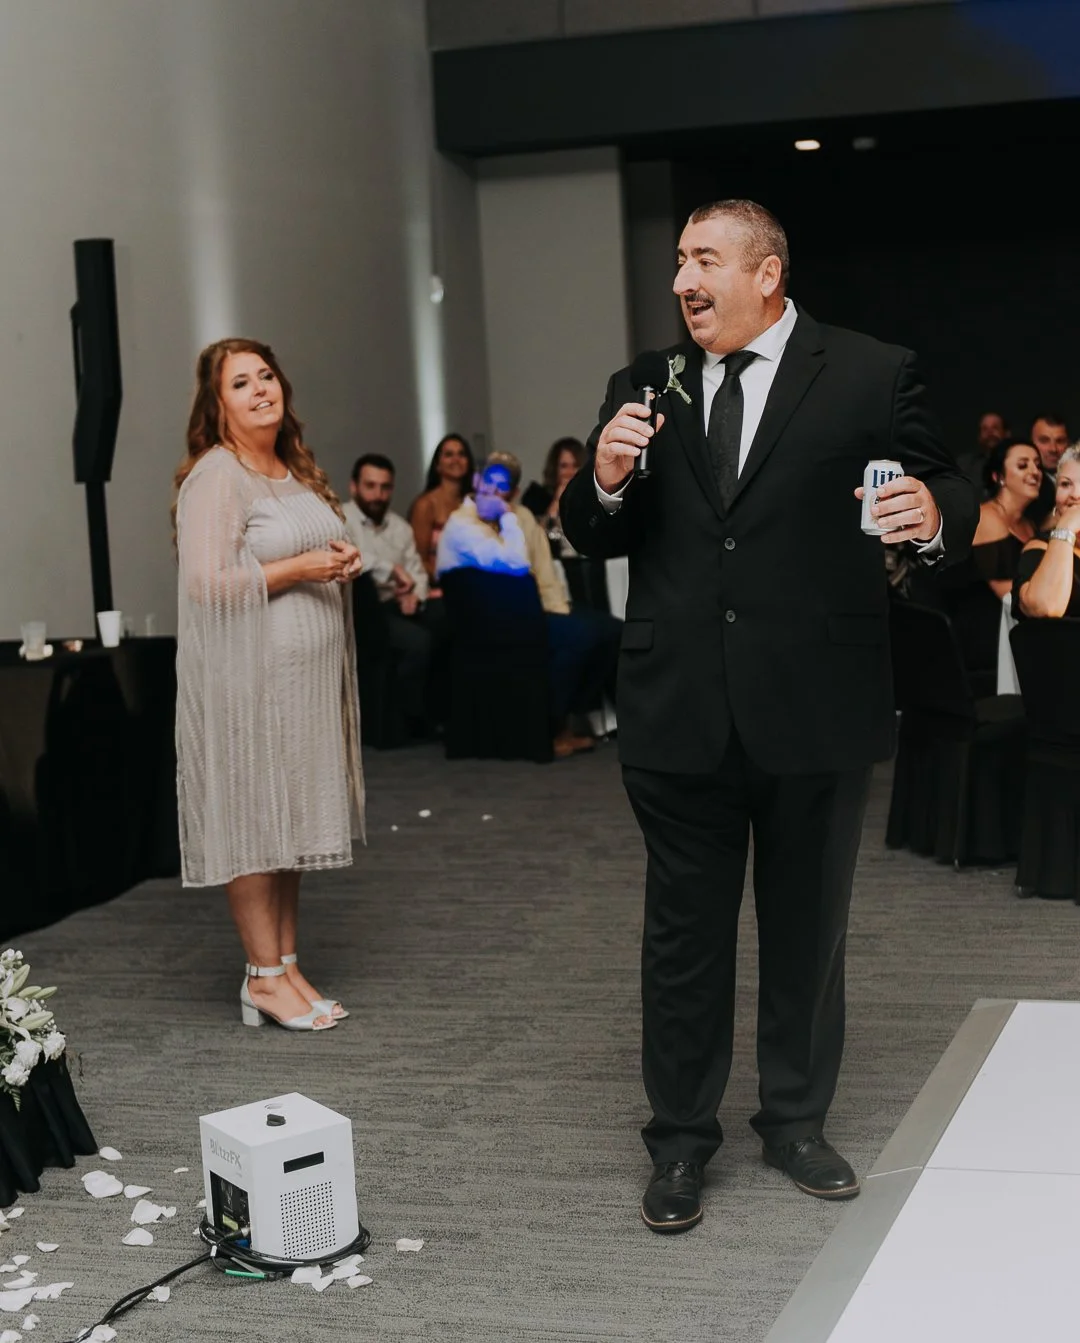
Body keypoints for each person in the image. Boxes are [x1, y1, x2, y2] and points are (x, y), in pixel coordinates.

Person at [560, 198, 976, 1233]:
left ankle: (794, 1119)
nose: (681, 282)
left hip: (818, 704)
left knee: (807, 929)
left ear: (767, 274)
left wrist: (930, 516)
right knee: (684, 936)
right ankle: (680, 1141)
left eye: (702, 260)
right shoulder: (642, 384)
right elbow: (591, 533)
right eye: (677, 264)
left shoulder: (871, 372)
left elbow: (950, 486)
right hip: (678, 707)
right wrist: (604, 480)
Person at [174, 338, 364, 1032]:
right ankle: (260, 977)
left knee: (287, 829)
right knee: (255, 827)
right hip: (248, 683)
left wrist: (340, 559)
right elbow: (205, 584)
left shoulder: (291, 469)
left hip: (302, 689)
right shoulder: (217, 476)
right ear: (217, 404)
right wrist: (302, 567)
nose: (260, 390)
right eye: (240, 383)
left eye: (266, 376)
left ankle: (284, 963)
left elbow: (307, 548)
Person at [438, 454, 614, 758]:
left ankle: (566, 718)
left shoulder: (524, 516)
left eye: (502, 486)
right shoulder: (460, 524)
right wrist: (506, 516)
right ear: (477, 481)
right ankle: (552, 727)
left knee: (610, 632)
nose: (492, 491)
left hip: (531, 614)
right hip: (488, 626)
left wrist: (558, 608)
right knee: (579, 640)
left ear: (513, 491)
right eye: (488, 481)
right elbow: (517, 564)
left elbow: (543, 569)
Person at [933, 440, 1040, 687]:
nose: (1034, 471)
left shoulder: (1029, 525)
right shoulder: (987, 517)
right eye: (1023, 465)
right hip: (984, 635)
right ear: (998, 476)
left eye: (1037, 464)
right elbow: (1008, 596)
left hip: (1016, 628)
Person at [343, 453, 433, 728]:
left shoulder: (400, 528)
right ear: (354, 486)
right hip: (357, 610)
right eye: (370, 486)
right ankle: (400, 718)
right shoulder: (340, 518)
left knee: (449, 625)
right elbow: (351, 560)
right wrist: (391, 569)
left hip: (396, 605)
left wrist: (414, 595)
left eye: (385, 487)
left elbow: (417, 572)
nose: (378, 495)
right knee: (418, 643)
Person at [1015, 444, 1080, 619]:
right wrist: (1066, 528)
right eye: (1066, 484)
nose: (1075, 494)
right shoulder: (1039, 548)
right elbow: (1044, 607)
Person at [409, 434, 476, 590]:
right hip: (439, 589)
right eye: (449, 455)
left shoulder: (473, 502)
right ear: (438, 465)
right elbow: (418, 560)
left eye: (461, 454)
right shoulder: (425, 504)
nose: (456, 460)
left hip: (475, 585)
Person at [522, 437, 587, 557]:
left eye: (575, 466)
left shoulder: (590, 497)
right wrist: (558, 500)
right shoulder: (536, 496)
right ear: (554, 468)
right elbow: (533, 538)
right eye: (564, 466)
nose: (570, 472)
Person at [1029, 413, 1070, 525]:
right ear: (1031, 444)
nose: (1053, 449)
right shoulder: (1026, 482)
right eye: (1044, 440)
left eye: (1060, 441)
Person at [957, 411, 1009, 496]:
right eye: (985, 429)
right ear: (979, 436)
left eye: (995, 428)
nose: (989, 432)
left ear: (1006, 433)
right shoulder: (966, 465)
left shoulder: (1015, 464)